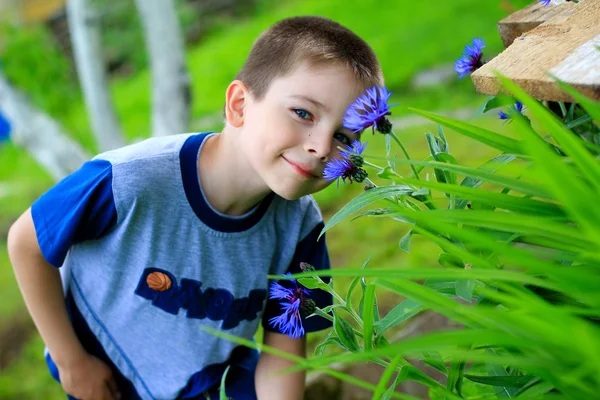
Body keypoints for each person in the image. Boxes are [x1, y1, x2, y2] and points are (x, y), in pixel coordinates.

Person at [7, 15, 383, 400]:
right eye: (303, 113)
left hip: (212, 377)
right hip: (106, 367)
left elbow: (283, 350)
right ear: (239, 105)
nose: (322, 147)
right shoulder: (131, 180)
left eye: (343, 136)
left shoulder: (299, 227)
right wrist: (73, 363)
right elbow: (26, 243)